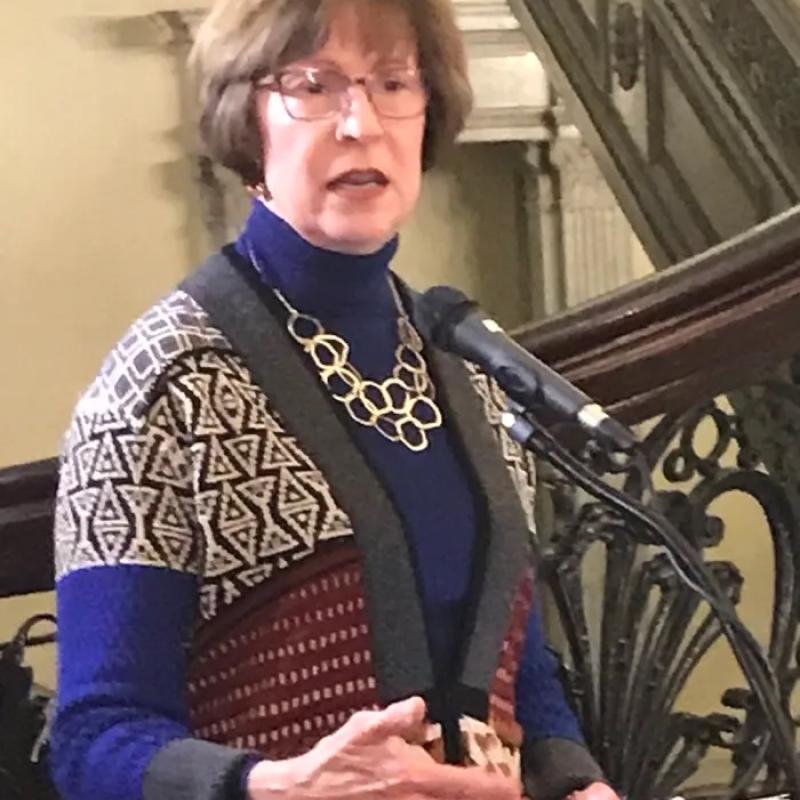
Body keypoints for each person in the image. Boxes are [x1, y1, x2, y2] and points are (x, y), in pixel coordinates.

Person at [50, 1, 621, 799]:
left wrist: (575, 780)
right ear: (245, 123)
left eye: (393, 82)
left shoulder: (465, 363)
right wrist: (276, 786)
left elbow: (521, 678)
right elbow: (90, 740)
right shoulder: (159, 384)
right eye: (312, 86)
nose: (360, 122)